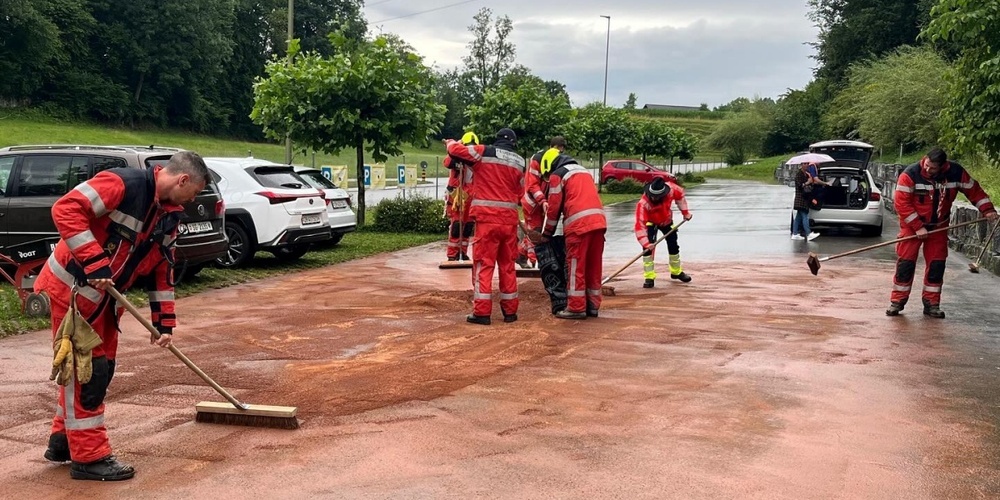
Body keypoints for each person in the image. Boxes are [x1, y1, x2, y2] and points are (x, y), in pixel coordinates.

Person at [36, 151, 208, 481]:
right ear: (183, 179)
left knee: (101, 369)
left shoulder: (169, 216)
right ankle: (89, 457)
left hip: (105, 301)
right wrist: (94, 260)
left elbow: (163, 270)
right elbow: (66, 208)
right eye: (195, 193)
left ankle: (63, 441)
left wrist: (164, 324)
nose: (192, 201)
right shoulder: (122, 183)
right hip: (72, 292)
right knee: (89, 373)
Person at [887, 147, 997, 318]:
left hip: (939, 227)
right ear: (925, 159)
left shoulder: (956, 173)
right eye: (927, 165)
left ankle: (932, 304)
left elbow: (974, 191)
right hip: (912, 227)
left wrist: (988, 210)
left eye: (932, 168)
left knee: (937, 265)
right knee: (905, 264)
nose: (928, 169)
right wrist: (918, 227)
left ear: (942, 166)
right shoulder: (910, 174)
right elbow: (901, 203)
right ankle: (897, 302)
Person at [446, 128, 526, 325]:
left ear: (497, 140)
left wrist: (451, 142)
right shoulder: (519, 161)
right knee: (507, 266)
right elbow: (520, 193)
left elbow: (455, 151)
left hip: (487, 221)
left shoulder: (484, 152)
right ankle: (510, 312)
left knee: (484, 264)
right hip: (509, 222)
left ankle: (482, 312)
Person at [539, 148, 607, 319]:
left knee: (576, 267)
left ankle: (576, 307)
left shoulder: (558, 175)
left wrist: (547, 234)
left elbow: (553, 208)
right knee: (594, 266)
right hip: (599, 223)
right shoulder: (583, 171)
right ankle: (593, 305)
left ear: (549, 166)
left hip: (579, 227)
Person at [634, 177, 693, 288]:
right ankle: (649, 277)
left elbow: (680, 197)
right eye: (653, 196)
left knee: (673, 245)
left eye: (657, 197)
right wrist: (646, 243)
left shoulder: (671, 190)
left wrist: (685, 213)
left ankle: (676, 272)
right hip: (650, 222)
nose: (655, 198)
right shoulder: (643, 204)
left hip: (666, 220)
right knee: (647, 250)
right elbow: (639, 226)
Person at [444, 131, 478, 261]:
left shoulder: (476, 158)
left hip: (471, 195)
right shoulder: (455, 156)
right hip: (457, 195)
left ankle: (462, 251)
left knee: (468, 226)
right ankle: (452, 254)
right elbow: (447, 163)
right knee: (456, 225)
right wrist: (455, 149)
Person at [792, 162, 820, 241]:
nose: (806, 165)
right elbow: (800, 186)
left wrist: (811, 182)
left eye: (807, 164)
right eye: (804, 164)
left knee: (798, 217)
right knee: (805, 216)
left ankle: (795, 233)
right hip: (800, 198)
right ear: (801, 165)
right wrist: (808, 182)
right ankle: (808, 233)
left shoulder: (806, 174)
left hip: (805, 198)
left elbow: (809, 186)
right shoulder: (799, 174)